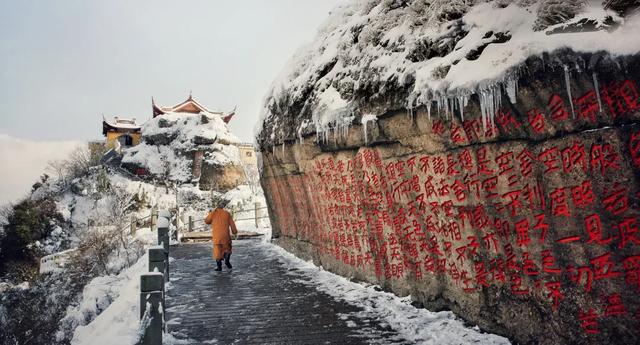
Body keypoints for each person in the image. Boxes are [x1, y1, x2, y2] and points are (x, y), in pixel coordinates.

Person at [204, 200, 238, 271]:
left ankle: (219, 267)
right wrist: (234, 232)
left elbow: (207, 221)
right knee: (227, 248)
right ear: (223, 207)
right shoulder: (227, 214)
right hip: (226, 236)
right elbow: (232, 224)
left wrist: (211, 213)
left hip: (217, 237)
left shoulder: (213, 213)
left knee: (217, 252)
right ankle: (227, 260)